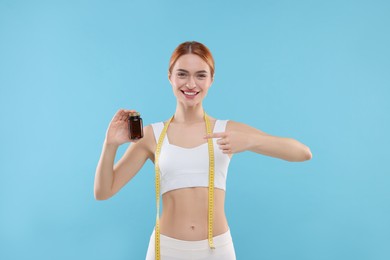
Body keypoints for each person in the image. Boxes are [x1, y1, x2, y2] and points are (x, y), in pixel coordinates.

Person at [94, 41, 312, 260]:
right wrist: (110, 144)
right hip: (166, 249)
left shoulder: (227, 130)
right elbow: (103, 191)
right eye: (182, 74)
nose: (191, 84)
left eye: (200, 75)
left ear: (211, 79)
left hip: (217, 250)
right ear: (170, 77)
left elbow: (303, 153)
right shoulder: (152, 135)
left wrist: (250, 141)